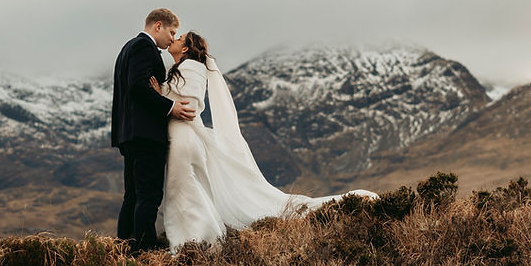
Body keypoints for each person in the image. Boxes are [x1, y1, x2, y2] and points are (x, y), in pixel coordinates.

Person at [152, 31, 377, 250]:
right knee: (185, 188)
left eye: (179, 37)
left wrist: (160, 95)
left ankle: (197, 239)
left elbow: (189, 103)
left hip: (186, 136)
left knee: (184, 187)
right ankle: (195, 239)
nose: (174, 38)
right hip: (181, 135)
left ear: (186, 48)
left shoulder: (192, 67)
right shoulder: (180, 68)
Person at [111, 8, 196, 252]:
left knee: (134, 196)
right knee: (148, 196)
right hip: (146, 135)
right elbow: (138, 87)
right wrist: (171, 107)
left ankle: (124, 247)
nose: (172, 38)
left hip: (130, 134)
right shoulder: (144, 48)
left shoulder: (127, 48)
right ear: (158, 26)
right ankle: (145, 251)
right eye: (171, 32)